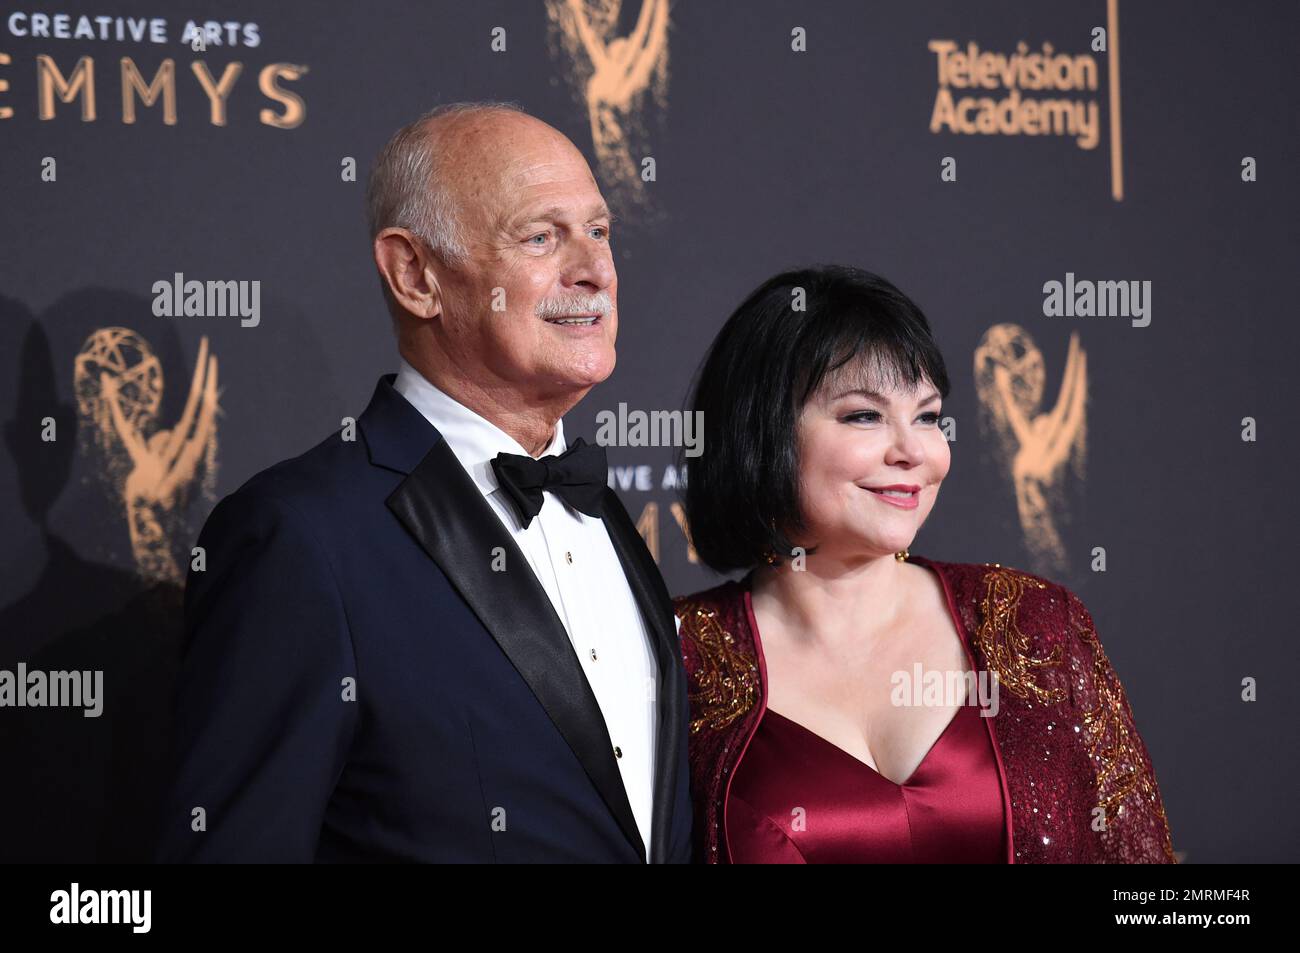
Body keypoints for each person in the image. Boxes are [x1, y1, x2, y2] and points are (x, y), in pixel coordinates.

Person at [156, 102, 692, 862]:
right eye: (542, 236)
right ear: (416, 275)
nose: (595, 270)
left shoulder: (598, 508)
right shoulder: (302, 537)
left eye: (600, 231)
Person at [674, 265, 1175, 863]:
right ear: (761, 432)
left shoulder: (1035, 624)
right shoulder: (677, 658)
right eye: (864, 415)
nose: (914, 452)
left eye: (929, 416)